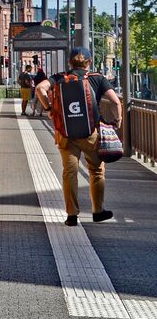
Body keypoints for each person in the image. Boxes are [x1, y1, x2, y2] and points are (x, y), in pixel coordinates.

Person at [34, 47, 122, 226]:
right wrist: (117, 119)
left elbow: (39, 88)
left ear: (70, 62)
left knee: (69, 172)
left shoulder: (59, 77)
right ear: (89, 62)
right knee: (96, 171)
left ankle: (72, 215)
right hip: (90, 133)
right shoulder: (97, 78)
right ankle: (98, 211)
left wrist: (49, 108)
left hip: (66, 134)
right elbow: (115, 101)